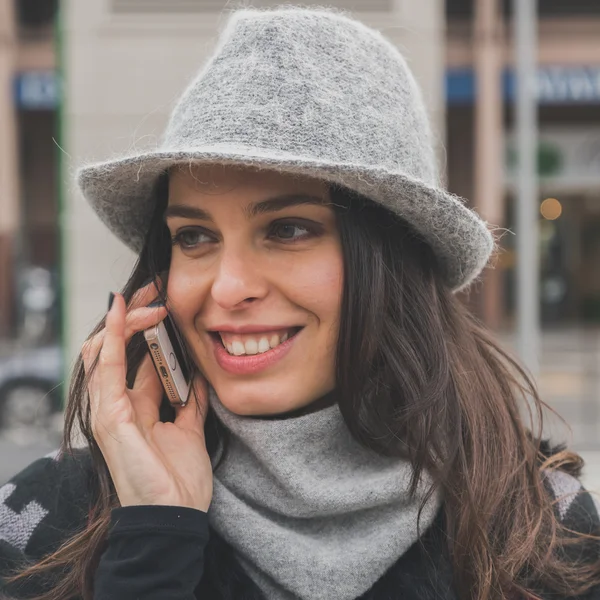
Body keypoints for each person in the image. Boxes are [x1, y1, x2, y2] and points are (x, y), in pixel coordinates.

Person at [1, 6, 599, 600]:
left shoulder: (545, 533)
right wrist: (153, 542)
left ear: (392, 263)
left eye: (287, 229)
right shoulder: (43, 525)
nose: (229, 288)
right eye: (194, 237)